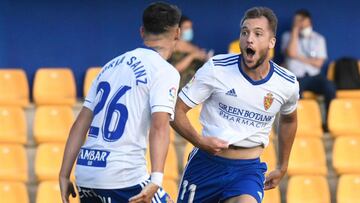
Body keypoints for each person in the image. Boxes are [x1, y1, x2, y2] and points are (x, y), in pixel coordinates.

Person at [171, 7, 299, 203]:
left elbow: (289, 120)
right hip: (206, 165)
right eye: (245, 32)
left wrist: (282, 166)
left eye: (258, 34)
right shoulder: (216, 68)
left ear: (271, 42)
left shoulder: (287, 83)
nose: (249, 39)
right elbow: (176, 111)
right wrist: (199, 141)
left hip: (247, 171)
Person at [59, 2, 181, 203]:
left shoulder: (108, 67)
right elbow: (160, 127)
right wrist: (157, 179)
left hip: (87, 174)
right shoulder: (164, 71)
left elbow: (80, 125)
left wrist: (64, 174)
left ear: (142, 32)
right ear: (177, 33)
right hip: (123, 176)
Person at [281, 9, 335, 120]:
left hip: (315, 76)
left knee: (330, 87)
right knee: (293, 94)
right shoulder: (287, 36)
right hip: (296, 77)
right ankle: (297, 123)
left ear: (309, 21)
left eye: (301, 20)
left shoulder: (318, 38)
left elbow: (319, 63)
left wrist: (297, 57)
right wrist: (295, 30)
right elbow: (291, 52)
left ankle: (328, 122)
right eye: (296, 21)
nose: (298, 23)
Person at [168, 15, 211, 88]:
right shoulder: (170, 48)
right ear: (178, 30)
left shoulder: (194, 47)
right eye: (186, 28)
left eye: (190, 28)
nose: (189, 30)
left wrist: (206, 58)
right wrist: (192, 56)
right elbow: (173, 70)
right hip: (177, 89)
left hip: (195, 90)